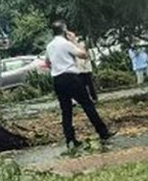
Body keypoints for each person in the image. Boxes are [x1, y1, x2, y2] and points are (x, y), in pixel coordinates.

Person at [47, 20, 114, 149]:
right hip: (71, 77)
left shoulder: (50, 46)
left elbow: (47, 62)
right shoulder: (66, 44)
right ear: (64, 30)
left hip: (57, 79)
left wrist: (58, 65)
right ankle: (103, 132)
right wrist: (74, 41)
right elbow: (84, 55)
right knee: (87, 104)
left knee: (66, 110)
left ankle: (70, 139)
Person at [68, 30, 98, 102]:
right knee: (81, 85)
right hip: (78, 69)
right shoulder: (70, 45)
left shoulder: (80, 43)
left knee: (89, 84)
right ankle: (85, 99)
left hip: (85, 66)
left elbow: (86, 53)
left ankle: (94, 98)